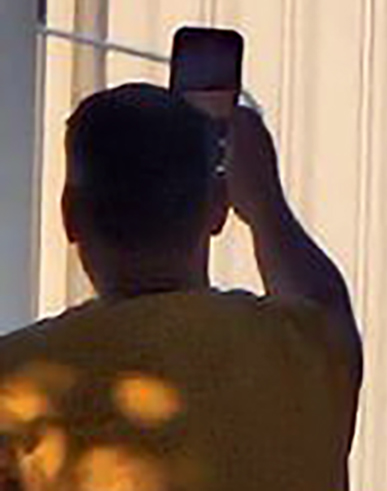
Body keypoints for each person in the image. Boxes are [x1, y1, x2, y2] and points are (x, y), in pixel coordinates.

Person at [0, 86, 361, 491]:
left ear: (70, 215)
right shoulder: (300, 353)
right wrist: (265, 204)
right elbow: (326, 302)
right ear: (219, 208)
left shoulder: (20, 386)